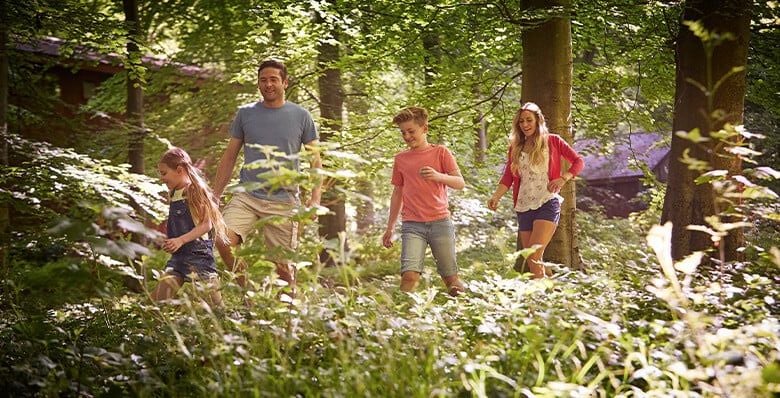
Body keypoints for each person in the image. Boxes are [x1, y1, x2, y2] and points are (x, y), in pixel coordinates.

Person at [213, 59, 322, 297]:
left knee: (284, 269)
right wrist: (216, 194)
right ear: (258, 83)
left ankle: (287, 321)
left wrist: (315, 199)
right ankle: (248, 294)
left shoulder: (302, 116)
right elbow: (230, 156)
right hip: (247, 195)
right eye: (263, 80)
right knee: (222, 239)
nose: (268, 84)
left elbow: (315, 160)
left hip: (284, 201)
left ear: (285, 82)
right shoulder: (246, 114)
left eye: (273, 79)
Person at [487, 102, 584, 278]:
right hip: (524, 207)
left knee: (533, 257)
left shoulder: (553, 141)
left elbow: (578, 161)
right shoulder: (516, 148)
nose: (525, 125)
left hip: (547, 201)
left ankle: (542, 303)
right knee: (532, 261)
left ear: (538, 120)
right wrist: (496, 197)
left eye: (529, 120)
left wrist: (563, 178)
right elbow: (508, 177)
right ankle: (552, 293)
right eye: (521, 121)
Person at [382, 107, 466, 296]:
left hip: (440, 222)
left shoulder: (441, 153)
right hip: (412, 225)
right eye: (403, 132)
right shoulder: (401, 159)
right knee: (409, 276)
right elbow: (397, 193)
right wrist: (390, 227)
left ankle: (468, 311)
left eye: (411, 131)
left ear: (424, 128)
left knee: (450, 279)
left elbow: (460, 183)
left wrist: (438, 176)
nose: (407, 136)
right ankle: (401, 319)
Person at [151, 147, 229, 308]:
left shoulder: (194, 191)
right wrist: (172, 242)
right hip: (178, 258)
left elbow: (206, 225)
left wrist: (180, 240)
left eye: (164, 173)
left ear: (179, 170)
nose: (162, 178)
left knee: (217, 310)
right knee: (154, 304)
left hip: (198, 255)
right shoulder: (173, 193)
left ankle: (238, 329)